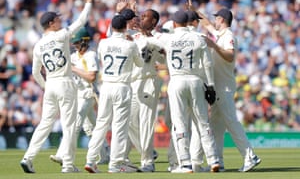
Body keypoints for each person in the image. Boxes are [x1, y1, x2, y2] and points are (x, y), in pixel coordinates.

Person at [19, 0, 93, 173]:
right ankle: (68, 164)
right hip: (65, 82)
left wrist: (45, 86)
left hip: (51, 84)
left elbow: (36, 72)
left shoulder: (37, 45)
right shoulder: (60, 35)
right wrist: (89, 2)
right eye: (58, 20)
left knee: (45, 124)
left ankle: (28, 157)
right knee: (69, 125)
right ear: (51, 23)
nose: (60, 21)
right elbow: (80, 22)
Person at [153, 10, 220, 173]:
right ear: (188, 23)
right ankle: (213, 160)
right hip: (196, 81)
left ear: (175, 24)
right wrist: (210, 86)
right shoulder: (198, 38)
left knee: (179, 123)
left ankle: (185, 163)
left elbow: (153, 34)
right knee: (203, 122)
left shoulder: (168, 39)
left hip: (176, 81)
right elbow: (208, 64)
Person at [198, 7, 261, 172]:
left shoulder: (228, 36)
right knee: (216, 126)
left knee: (231, 122)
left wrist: (214, 46)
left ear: (222, 19)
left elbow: (230, 55)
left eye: (216, 18)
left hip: (224, 86)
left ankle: (250, 156)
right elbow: (205, 23)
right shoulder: (220, 35)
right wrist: (193, 10)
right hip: (219, 86)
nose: (214, 21)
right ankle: (218, 162)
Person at [84, 15, 144, 173]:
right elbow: (140, 63)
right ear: (125, 27)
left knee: (101, 124)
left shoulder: (103, 43)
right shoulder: (130, 45)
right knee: (119, 127)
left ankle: (90, 160)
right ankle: (115, 164)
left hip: (107, 86)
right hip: (122, 86)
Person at [48, 27, 110, 165]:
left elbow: (92, 77)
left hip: (88, 93)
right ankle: (106, 153)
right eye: (74, 43)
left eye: (77, 42)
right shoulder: (74, 56)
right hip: (77, 94)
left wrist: (74, 68)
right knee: (91, 128)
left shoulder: (91, 55)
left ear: (85, 41)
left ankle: (62, 155)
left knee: (74, 124)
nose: (75, 45)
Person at [126, 9, 165, 172]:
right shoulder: (134, 37)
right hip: (133, 82)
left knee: (146, 123)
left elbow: (165, 51)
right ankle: (147, 151)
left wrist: (144, 32)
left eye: (145, 17)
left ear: (154, 21)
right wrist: (122, 14)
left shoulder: (159, 36)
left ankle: (147, 162)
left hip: (149, 81)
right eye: (140, 16)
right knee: (128, 121)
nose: (141, 19)